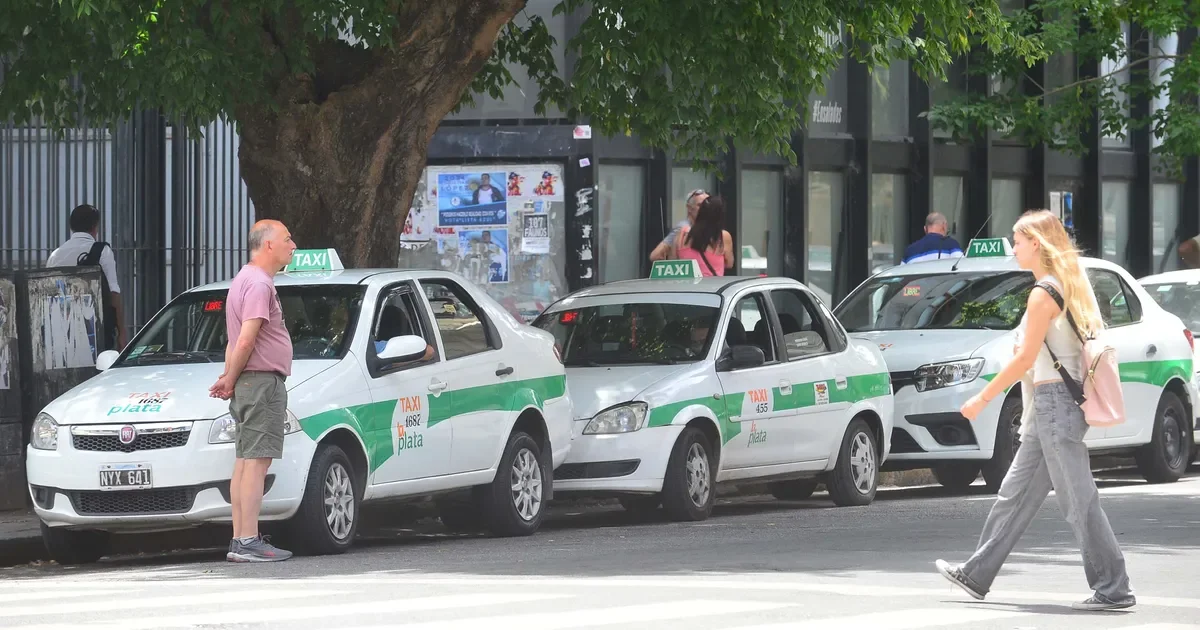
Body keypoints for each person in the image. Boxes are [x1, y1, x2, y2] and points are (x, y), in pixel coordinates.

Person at [935, 209, 1135, 612]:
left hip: (1055, 406)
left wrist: (982, 397)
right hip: (1050, 406)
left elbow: (1026, 359)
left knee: (1078, 500)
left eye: (1018, 240)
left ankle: (1114, 587)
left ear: (1036, 245)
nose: (1013, 246)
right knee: (1014, 494)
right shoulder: (1069, 284)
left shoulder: (1044, 292)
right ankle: (977, 574)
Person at [209, 219, 297, 563]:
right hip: (261, 382)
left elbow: (235, 341)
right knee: (255, 463)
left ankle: (239, 538)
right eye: (288, 238)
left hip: (248, 380)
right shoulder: (260, 284)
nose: (294, 245)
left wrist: (230, 376)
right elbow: (246, 337)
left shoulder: (242, 280)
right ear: (269, 245)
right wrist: (230, 378)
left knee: (245, 461)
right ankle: (248, 540)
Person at [45, 204, 128, 350]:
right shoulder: (103, 251)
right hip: (98, 332)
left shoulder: (55, 255)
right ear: (95, 226)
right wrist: (122, 333)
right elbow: (114, 293)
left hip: (63, 333)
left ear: (71, 227)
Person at [670, 195, 733, 277]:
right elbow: (729, 264)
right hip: (711, 288)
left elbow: (672, 260)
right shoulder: (722, 236)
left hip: (685, 287)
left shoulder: (682, 234)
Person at [650, 189, 707, 262]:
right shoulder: (683, 228)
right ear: (689, 208)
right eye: (700, 205)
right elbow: (655, 255)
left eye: (707, 205)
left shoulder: (706, 227)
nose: (705, 209)